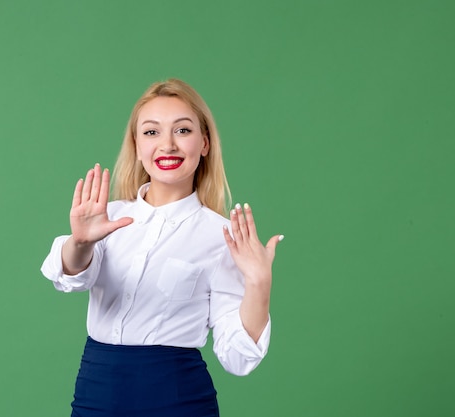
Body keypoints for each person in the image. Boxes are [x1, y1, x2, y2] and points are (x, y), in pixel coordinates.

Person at [40, 78, 283, 417]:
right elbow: (68, 278)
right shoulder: (105, 218)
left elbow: (238, 358)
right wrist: (80, 241)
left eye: (182, 131)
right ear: (137, 145)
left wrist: (259, 283)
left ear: (205, 144)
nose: (167, 145)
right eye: (152, 132)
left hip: (178, 401)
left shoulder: (223, 237)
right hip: (96, 394)